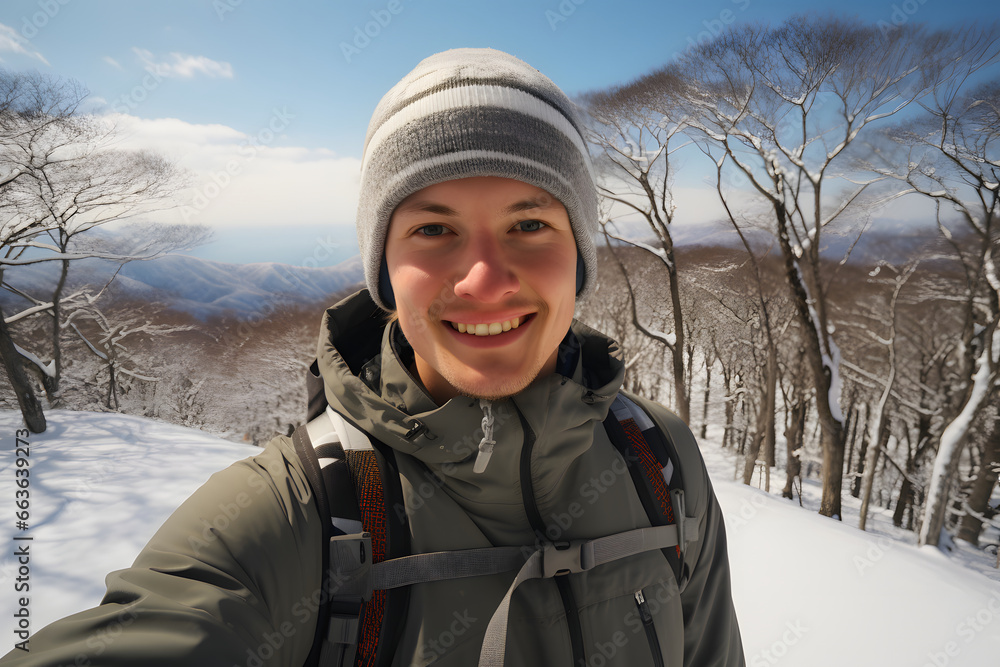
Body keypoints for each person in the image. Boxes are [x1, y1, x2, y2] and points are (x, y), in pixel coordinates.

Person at [1, 48, 744, 666]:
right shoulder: (292, 515)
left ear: (577, 258)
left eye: (529, 222)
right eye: (433, 229)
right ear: (384, 270)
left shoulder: (659, 462)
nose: (484, 277)